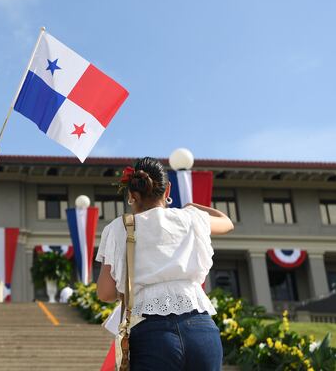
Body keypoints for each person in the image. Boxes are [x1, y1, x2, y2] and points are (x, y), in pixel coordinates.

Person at [95, 157, 234, 371]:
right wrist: (192, 206)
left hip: (151, 333)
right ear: (167, 190)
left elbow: (105, 292)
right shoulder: (190, 217)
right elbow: (226, 222)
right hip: (201, 327)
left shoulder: (117, 228)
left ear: (131, 195)